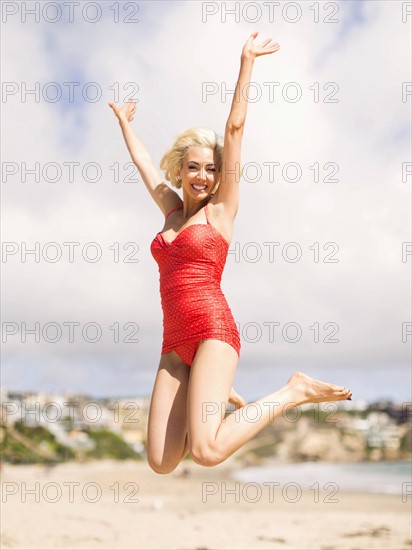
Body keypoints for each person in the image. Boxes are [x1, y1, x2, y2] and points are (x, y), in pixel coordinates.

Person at [109, 32, 352, 474]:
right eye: (194, 167)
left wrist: (247, 63)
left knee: (206, 451)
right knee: (162, 462)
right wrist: (125, 123)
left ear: (220, 176)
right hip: (173, 345)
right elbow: (144, 164)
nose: (202, 176)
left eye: (211, 169)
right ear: (180, 170)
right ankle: (218, 393)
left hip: (212, 331)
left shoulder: (222, 211)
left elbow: (235, 129)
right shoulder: (170, 211)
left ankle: (293, 390)